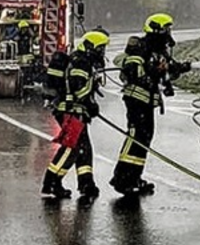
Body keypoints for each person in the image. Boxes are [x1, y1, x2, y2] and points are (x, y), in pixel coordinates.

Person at [109, 13, 191, 196]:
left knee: (144, 138)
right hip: (136, 99)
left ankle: (134, 178)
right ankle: (122, 179)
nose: (168, 32)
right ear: (156, 29)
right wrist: (153, 72)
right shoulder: (141, 47)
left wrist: (180, 68)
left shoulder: (159, 50)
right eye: (166, 29)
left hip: (147, 101)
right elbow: (129, 66)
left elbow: (168, 70)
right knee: (135, 137)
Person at [41, 28, 110, 200]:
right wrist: (90, 104)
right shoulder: (81, 63)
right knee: (72, 148)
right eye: (101, 48)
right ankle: (51, 182)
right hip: (70, 111)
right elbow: (78, 87)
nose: (102, 52)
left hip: (74, 111)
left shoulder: (82, 61)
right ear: (91, 47)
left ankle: (86, 184)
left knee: (84, 149)